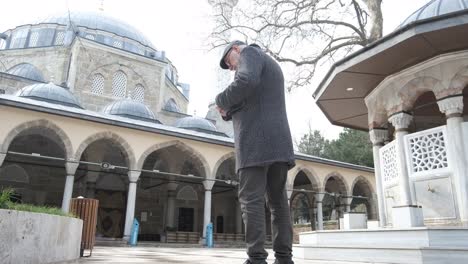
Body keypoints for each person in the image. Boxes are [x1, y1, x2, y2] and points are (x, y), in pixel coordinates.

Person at [215, 40, 296, 264]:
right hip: (277, 142)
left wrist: (220, 100)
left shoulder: (250, 52)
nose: (231, 67)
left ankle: (257, 258)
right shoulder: (267, 65)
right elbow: (252, 98)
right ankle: (284, 258)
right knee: (278, 201)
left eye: (228, 62)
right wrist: (227, 111)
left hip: (255, 142)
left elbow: (246, 80)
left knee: (251, 200)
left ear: (236, 50)